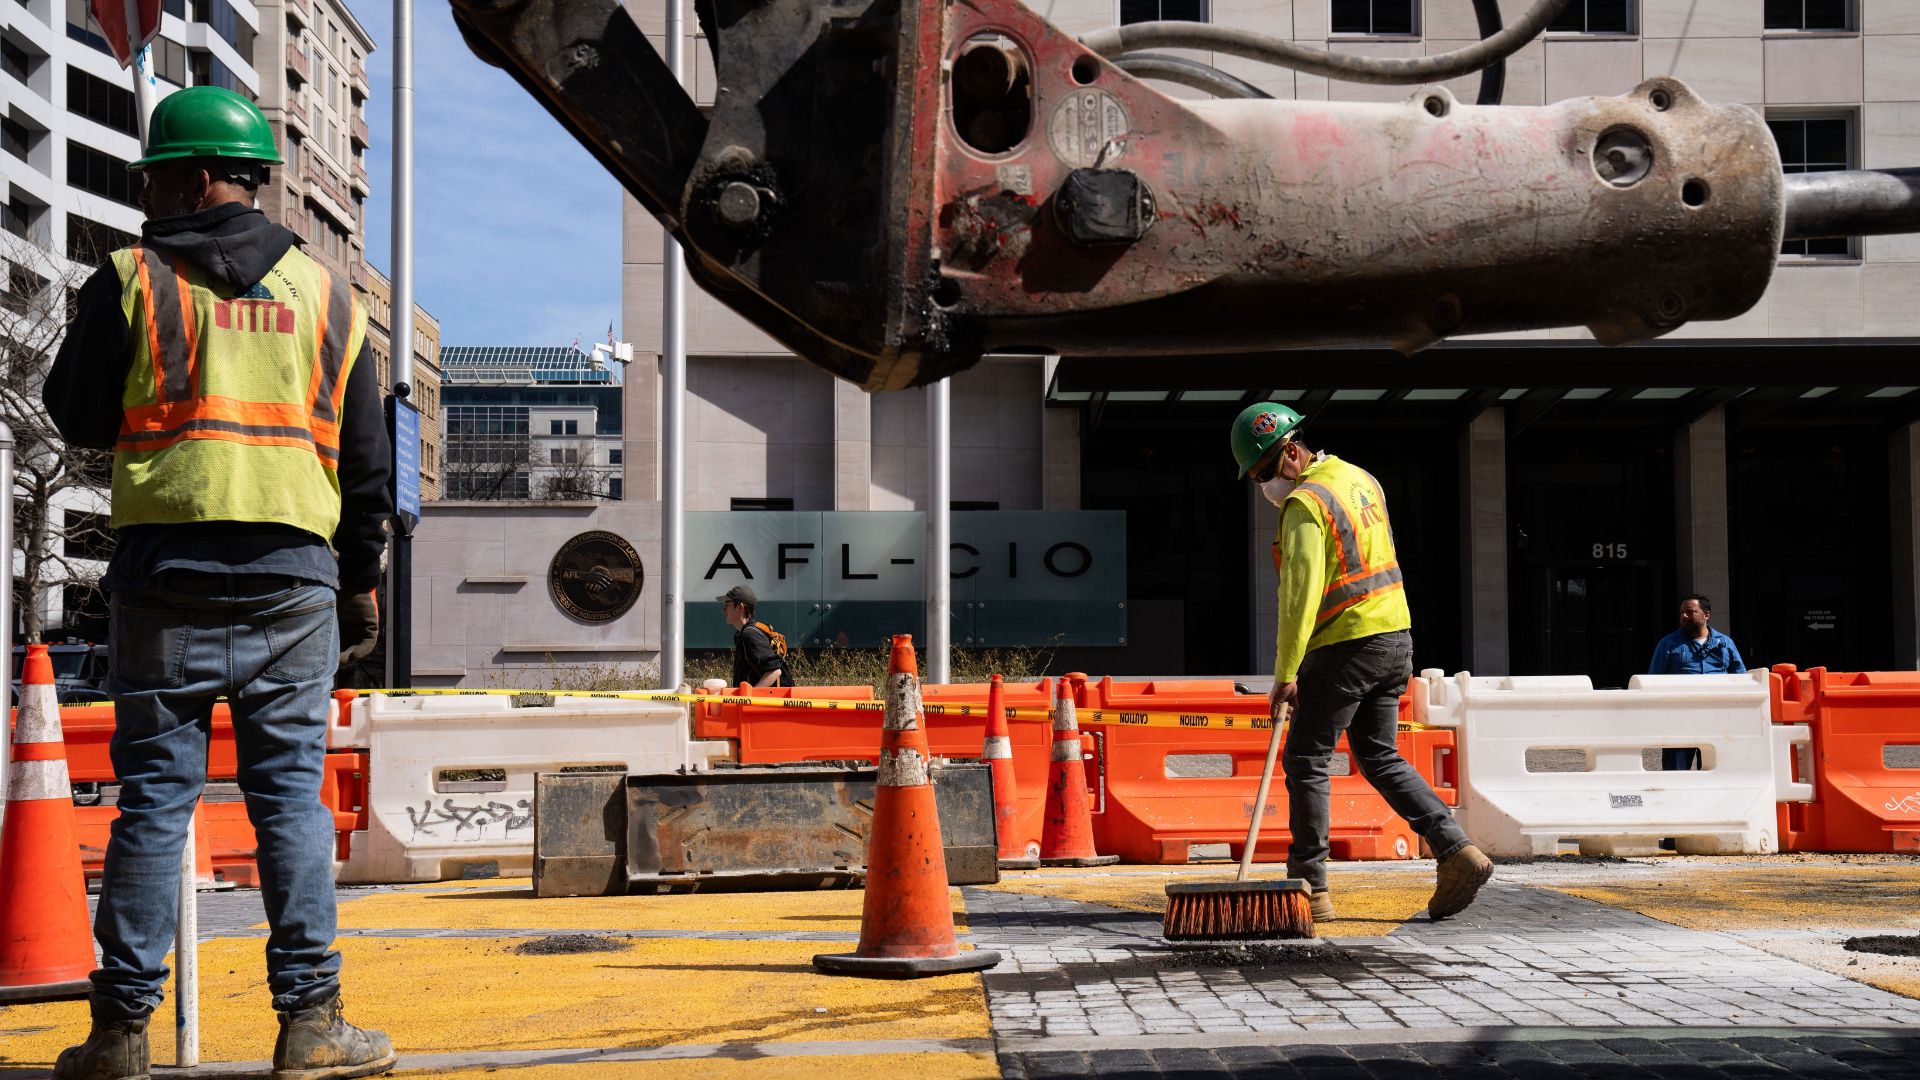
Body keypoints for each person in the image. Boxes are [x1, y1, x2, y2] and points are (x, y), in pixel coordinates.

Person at [42, 87, 395, 1080]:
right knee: (289, 798)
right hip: (294, 580)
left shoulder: (130, 279)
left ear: (195, 176)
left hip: (165, 574)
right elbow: (368, 471)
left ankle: (119, 1035)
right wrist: (359, 581)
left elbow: (72, 412)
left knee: (154, 798)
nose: (145, 192)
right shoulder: (332, 296)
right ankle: (312, 1027)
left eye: (154, 175)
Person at [1230, 402, 1492, 924]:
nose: (1262, 486)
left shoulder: (1305, 502)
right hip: (1395, 638)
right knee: (1378, 754)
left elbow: (1298, 596)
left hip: (1346, 642)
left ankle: (1309, 885)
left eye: (1262, 473)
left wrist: (1286, 674)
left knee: (1306, 760)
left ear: (1289, 453)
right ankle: (1456, 850)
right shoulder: (1359, 479)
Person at [1648, 593, 1747, 770]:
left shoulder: (1725, 643)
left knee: (1717, 771)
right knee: (1676, 772)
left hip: (1717, 718)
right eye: (1682, 613)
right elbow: (1653, 681)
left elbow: (1741, 679)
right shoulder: (1668, 644)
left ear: (1706, 615)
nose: (1684, 616)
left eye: (1690, 612)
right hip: (1679, 719)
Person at [719, 585, 794, 688]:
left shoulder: (750, 634)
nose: (723, 610)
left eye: (727, 605)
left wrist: (750, 698)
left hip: (770, 702)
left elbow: (774, 671)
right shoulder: (742, 634)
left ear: (740, 607)